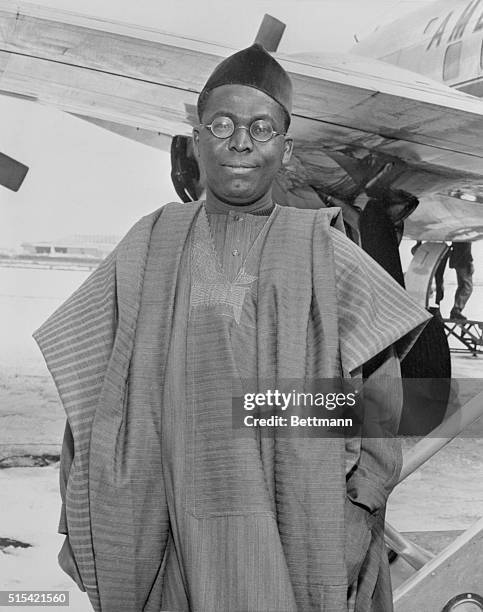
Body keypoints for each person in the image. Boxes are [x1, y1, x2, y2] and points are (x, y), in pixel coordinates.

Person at [34, 44, 430, 612]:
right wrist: (78, 516)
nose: (240, 142)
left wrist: (361, 506)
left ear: (285, 149)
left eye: (260, 127)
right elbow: (93, 396)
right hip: (165, 524)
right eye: (221, 125)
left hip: (290, 526)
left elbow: (377, 396)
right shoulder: (149, 244)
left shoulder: (322, 247)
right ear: (196, 141)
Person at [449, 242, 474, 321]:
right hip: (463, 261)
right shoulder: (466, 235)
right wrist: (470, 262)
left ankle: (455, 311)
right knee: (468, 287)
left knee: (462, 286)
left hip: (457, 260)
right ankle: (456, 309)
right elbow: (466, 248)